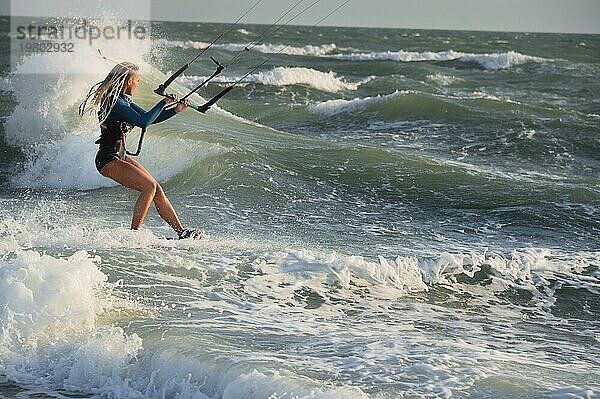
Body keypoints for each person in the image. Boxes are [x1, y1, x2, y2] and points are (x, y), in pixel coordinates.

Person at [79, 62, 200, 240]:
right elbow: (143, 122)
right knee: (148, 187)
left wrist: (175, 109)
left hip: (119, 156)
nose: (138, 84)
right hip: (108, 159)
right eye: (137, 80)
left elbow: (149, 119)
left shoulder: (123, 101)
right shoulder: (114, 102)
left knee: (156, 189)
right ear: (128, 82)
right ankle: (134, 234)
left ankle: (181, 232)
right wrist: (163, 101)